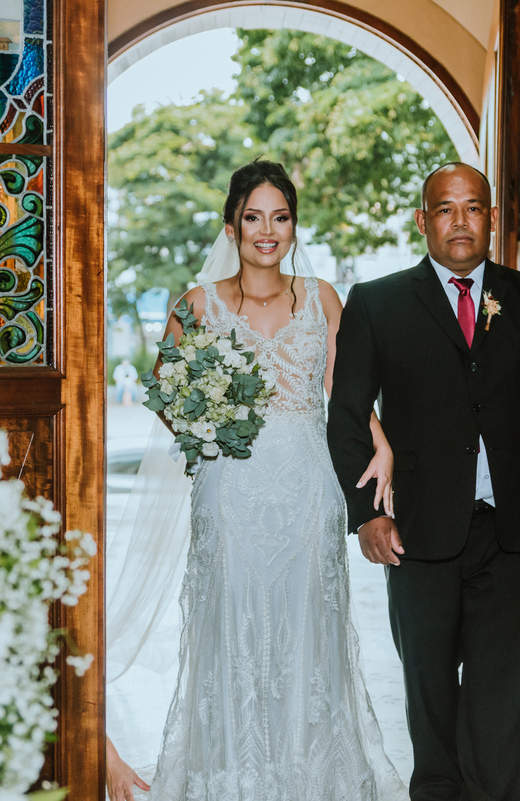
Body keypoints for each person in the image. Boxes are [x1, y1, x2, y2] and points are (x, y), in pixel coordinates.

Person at [134, 159, 406, 800]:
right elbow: (167, 396)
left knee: (306, 631)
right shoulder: (196, 305)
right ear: (231, 225)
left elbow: (346, 395)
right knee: (231, 632)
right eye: (253, 217)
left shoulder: (323, 299)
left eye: (279, 217)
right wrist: (209, 422)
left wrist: (383, 442)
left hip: (308, 492)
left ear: (292, 225)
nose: (267, 230)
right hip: (229, 495)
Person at [327, 162, 520, 801]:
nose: (460, 221)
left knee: (500, 699)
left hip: (512, 534)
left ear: (492, 219)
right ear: (423, 220)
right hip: (417, 536)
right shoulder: (379, 302)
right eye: (444, 209)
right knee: (429, 700)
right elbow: (345, 415)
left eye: (473, 208)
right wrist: (368, 514)